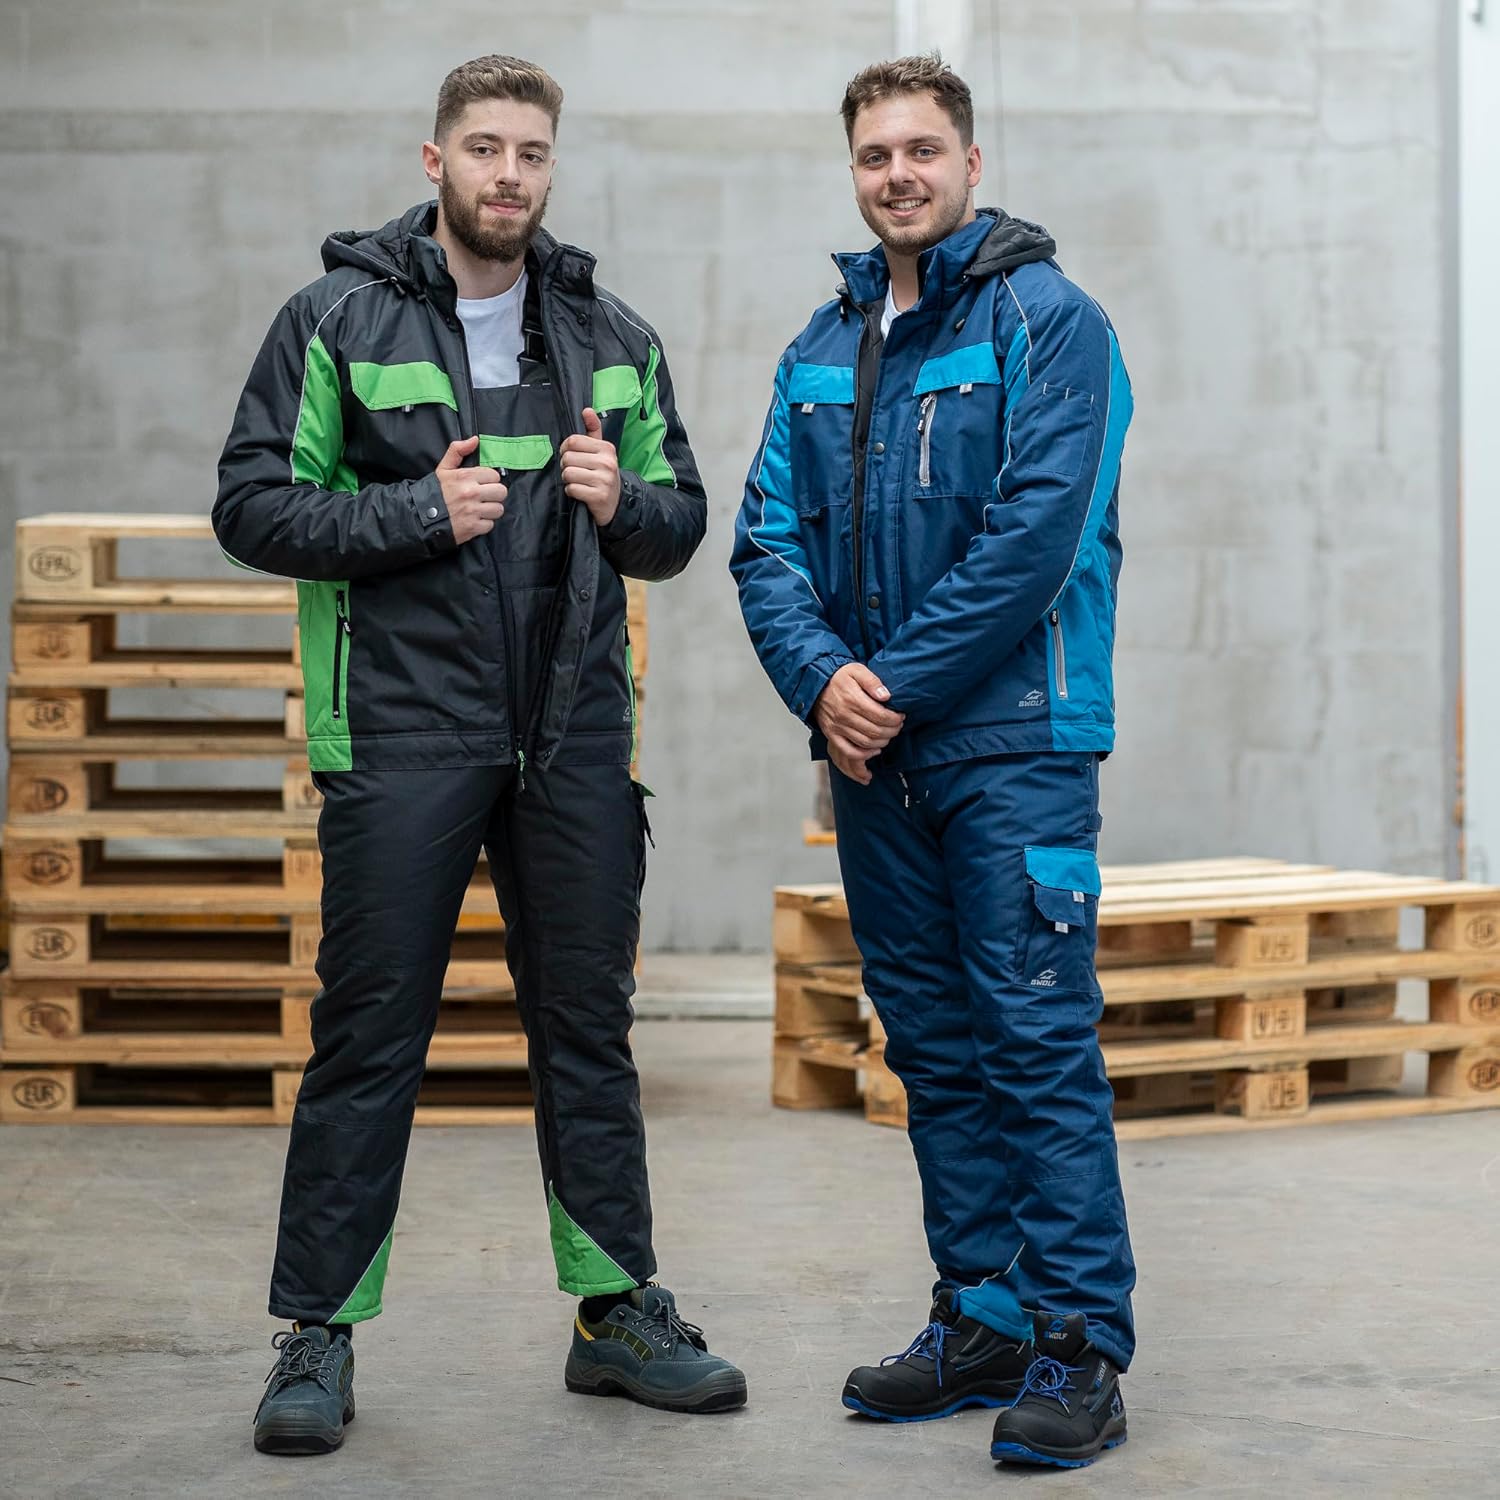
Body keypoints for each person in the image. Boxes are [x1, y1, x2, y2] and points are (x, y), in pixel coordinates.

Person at [216, 53, 747, 1455]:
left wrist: (622, 501)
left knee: (587, 1026)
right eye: (485, 148)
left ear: (551, 168)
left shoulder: (613, 334)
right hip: (402, 727)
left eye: (531, 153)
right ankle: (317, 1333)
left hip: (571, 732)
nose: (509, 175)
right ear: (435, 159)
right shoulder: (335, 318)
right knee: (369, 1031)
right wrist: (413, 513)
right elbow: (251, 506)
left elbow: (682, 525)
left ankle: (615, 1311)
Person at [730, 54, 1135, 1469]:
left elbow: (1039, 538)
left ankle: (1080, 1346)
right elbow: (765, 544)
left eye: (921, 150)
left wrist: (883, 688)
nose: (897, 174)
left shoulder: (1051, 322)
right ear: (854, 171)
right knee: (934, 1048)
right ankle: (986, 1315)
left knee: (1033, 1041)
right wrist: (822, 682)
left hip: (1013, 743)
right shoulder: (821, 346)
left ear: (970, 162)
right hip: (877, 757)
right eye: (874, 155)